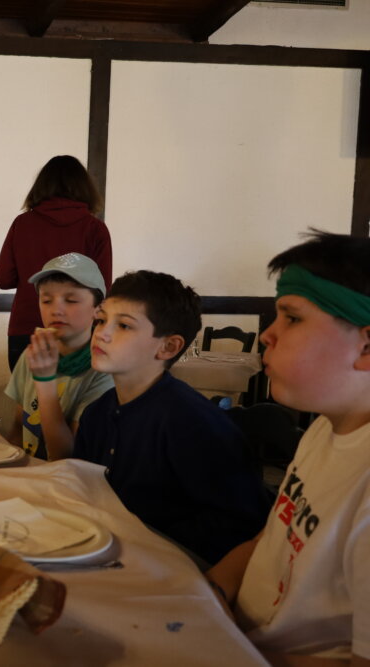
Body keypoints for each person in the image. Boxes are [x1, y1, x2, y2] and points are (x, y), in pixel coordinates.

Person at [206, 232, 370, 665]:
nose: (267, 335)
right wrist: (211, 590)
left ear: (367, 346)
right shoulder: (325, 429)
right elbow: (272, 537)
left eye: (292, 318)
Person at [73, 270, 268, 565]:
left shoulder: (193, 422)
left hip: (173, 566)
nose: (101, 333)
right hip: (107, 551)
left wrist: (146, 542)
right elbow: (84, 489)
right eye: (101, 320)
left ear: (168, 347)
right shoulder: (97, 413)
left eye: (123, 325)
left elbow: (241, 523)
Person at [0, 155, 113, 371]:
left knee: (28, 392)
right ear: (85, 188)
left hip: (26, 327)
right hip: (78, 333)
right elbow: (103, 288)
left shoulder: (22, 224)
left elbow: (2, 279)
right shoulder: (95, 229)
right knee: (76, 393)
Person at [4, 253, 113, 459]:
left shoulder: (103, 369)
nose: (56, 310)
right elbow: (18, 428)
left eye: (71, 300)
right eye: (46, 300)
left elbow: (66, 456)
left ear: (98, 309)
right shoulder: (33, 354)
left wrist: (45, 379)